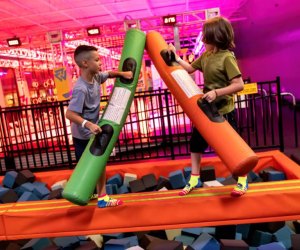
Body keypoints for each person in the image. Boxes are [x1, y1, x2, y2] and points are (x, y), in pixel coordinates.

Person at [168, 16, 248, 197]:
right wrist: (175, 57)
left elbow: (239, 85)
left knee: (233, 147)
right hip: (207, 110)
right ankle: (194, 178)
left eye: (206, 36)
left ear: (216, 37)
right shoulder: (206, 56)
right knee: (195, 144)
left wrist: (217, 92)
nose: (202, 39)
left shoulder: (227, 58)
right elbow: (189, 69)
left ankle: (242, 181)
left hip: (224, 112)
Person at [66, 45, 133, 208]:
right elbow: (69, 114)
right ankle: (94, 194)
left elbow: (108, 74)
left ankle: (101, 196)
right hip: (82, 134)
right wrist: (88, 124)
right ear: (85, 63)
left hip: (92, 130)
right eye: (97, 60)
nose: (100, 63)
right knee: (90, 165)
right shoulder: (81, 89)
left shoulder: (95, 77)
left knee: (100, 163)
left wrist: (123, 74)